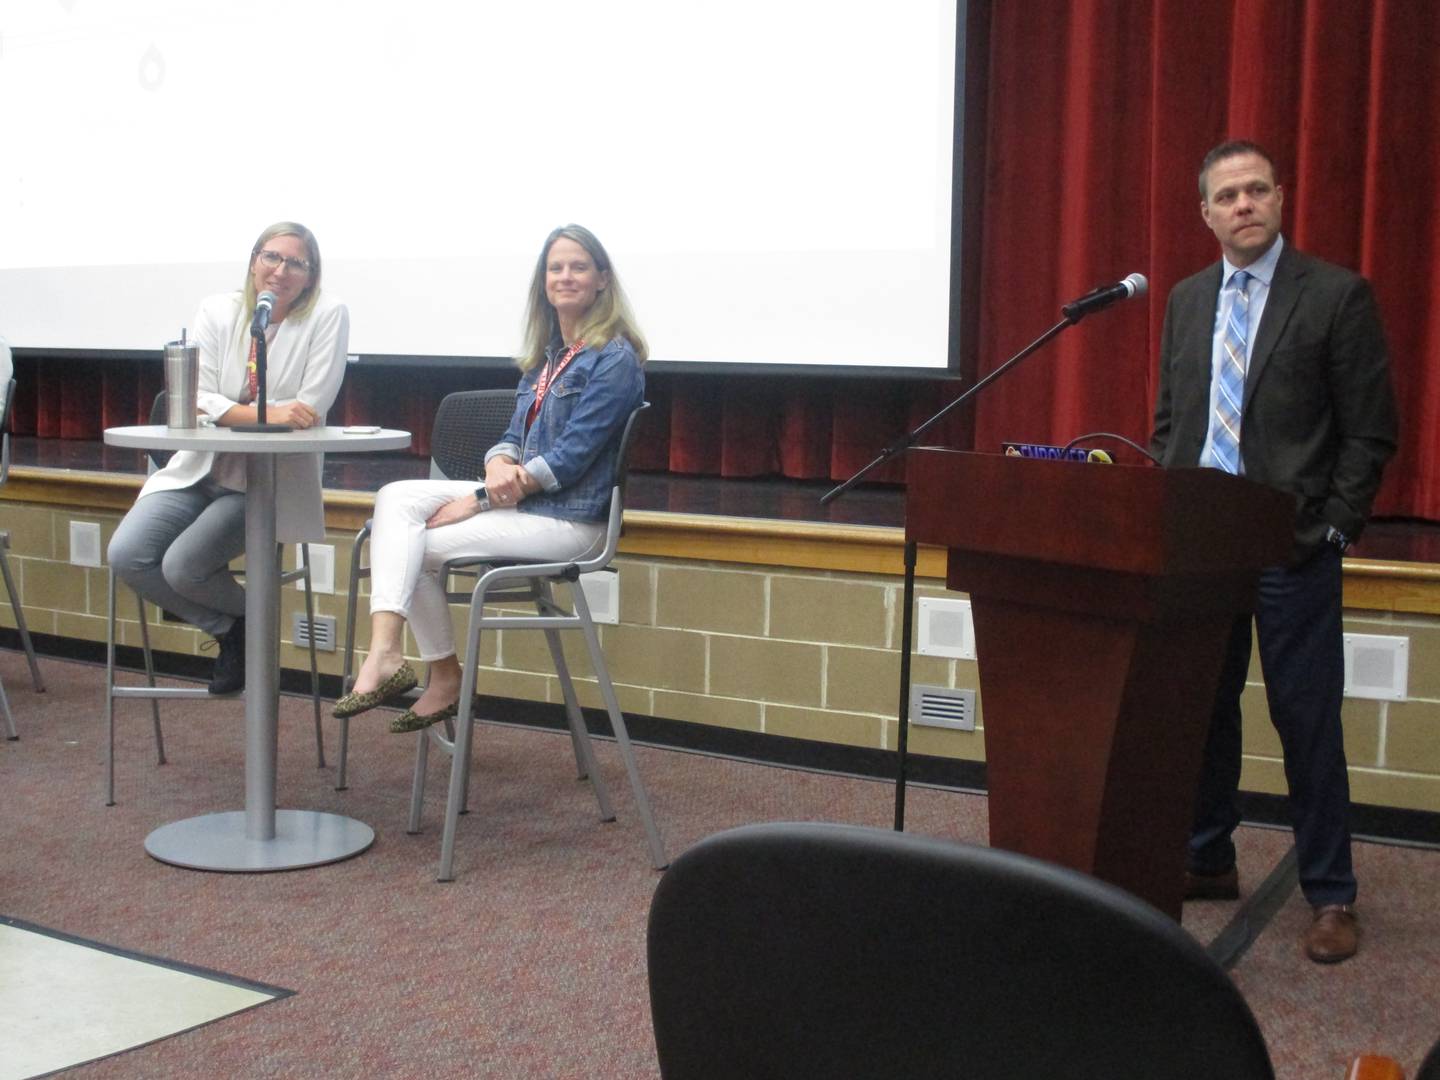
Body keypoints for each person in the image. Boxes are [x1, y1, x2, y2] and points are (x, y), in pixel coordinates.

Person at [1150, 140, 1398, 963]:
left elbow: (1369, 429)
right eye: (1228, 195)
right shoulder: (1187, 301)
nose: (1244, 204)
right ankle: (1209, 856)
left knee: (1306, 721)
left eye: (1258, 190)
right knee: (1204, 712)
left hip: (1292, 548)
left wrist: (1335, 526)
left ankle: (1331, 894)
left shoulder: (1333, 295)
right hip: (1201, 550)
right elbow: (1171, 422)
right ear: (1207, 213)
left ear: (1281, 199)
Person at [334, 224, 645, 733]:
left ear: (602, 280)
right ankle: (391, 653)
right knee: (396, 500)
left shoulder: (614, 359)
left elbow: (569, 459)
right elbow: (511, 436)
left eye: (579, 267)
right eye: (555, 267)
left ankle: (438, 675)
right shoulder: (549, 356)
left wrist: (481, 499)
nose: (565, 276)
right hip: (524, 503)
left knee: (415, 547)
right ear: (543, 282)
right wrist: (497, 461)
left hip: (569, 520)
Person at [108, 222, 349, 695]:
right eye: (271, 257)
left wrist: (233, 410)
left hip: (266, 480)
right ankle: (234, 628)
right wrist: (262, 412)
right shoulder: (218, 310)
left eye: (295, 263)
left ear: (311, 275)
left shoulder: (328, 314)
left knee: (183, 567)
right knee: (127, 554)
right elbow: (196, 396)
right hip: (200, 470)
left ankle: (242, 630)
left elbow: (309, 406)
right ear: (254, 261)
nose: (280, 271)